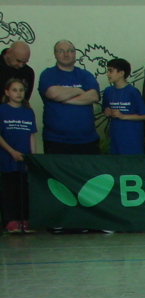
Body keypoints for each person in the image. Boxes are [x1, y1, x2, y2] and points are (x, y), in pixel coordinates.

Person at [38, 40, 99, 155]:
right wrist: (78, 90)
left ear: (75, 53)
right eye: (61, 51)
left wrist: (64, 99)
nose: (66, 54)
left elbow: (93, 96)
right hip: (56, 140)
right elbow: (54, 94)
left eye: (70, 51)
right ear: (55, 54)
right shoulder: (48, 74)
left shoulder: (85, 75)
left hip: (87, 140)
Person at [0, 77, 36, 234]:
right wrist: (11, 151)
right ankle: (10, 220)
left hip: (24, 158)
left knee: (24, 189)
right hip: (8, 157)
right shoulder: (2, 110)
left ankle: (24, 219)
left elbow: (31, 135)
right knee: (10, 189)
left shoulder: (28, 111)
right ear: (7, 92)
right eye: (14, 90)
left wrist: (32, 158)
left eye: (21, 90)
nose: (18, 93)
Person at [102, 58, 145, 155]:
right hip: (115, 138)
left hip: (132, 138)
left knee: (132, 163)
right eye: (107, 71)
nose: (107, 74)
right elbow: (105, 110)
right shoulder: (108, 91)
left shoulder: (133, 92)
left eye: (110, 71)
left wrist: (123, 116)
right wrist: (107, 112)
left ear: (121, 73)